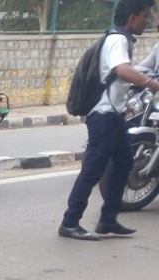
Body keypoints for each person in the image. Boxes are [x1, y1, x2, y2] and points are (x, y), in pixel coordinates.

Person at [59, 0, 159, 241]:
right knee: (93, 170)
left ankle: (108, 219)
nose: (147, 21)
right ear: (132, 17)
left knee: (124, 162)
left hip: (113, 116)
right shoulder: (118, 39)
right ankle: (70, 222)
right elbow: (121, 70)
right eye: (144, 16)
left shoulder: (122, 39)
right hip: (103, 116)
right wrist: (151, 83)